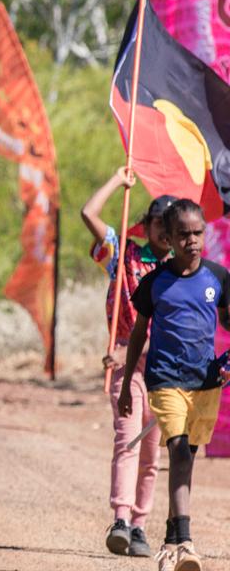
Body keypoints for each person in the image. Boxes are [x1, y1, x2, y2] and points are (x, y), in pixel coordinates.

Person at [118, 199, 230, 571]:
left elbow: (228, 323)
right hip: (164, 379)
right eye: (183, 235)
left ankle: (171, 542)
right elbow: (137, 335)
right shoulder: (155, 283)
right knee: (179, 451)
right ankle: (185, 539)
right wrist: (124, 387)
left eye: (198, 233)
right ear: (168, 237)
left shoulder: (218, 278)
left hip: (206, 382)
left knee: (187, 458)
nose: (193, 241)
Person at [83, 168, 171, 557]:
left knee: (153, 452)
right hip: (125, 361)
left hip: (164, 369)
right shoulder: (125, 256)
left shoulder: (180, 272)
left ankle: (140, 525)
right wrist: (117, 180)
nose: (165, 231)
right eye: (158, 223)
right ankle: (120, 517)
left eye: (172, 224)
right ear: (147, 225)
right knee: (127, 439)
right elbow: (89, 214)